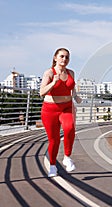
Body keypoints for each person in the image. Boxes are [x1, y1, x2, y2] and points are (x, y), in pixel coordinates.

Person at [40, 48, 82, 177]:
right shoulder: (49, 73)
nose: (64, 59)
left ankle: (67, 157)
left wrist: (75, 96)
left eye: (67, 57)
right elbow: (42, 92)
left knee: (69, 129)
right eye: (62, 56)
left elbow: (71, 88)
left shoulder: (71, 73)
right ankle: (52, 165)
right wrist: (54, 82)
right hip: (50, 110)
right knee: (54, 140)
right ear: (55, 58)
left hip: (67, 107)